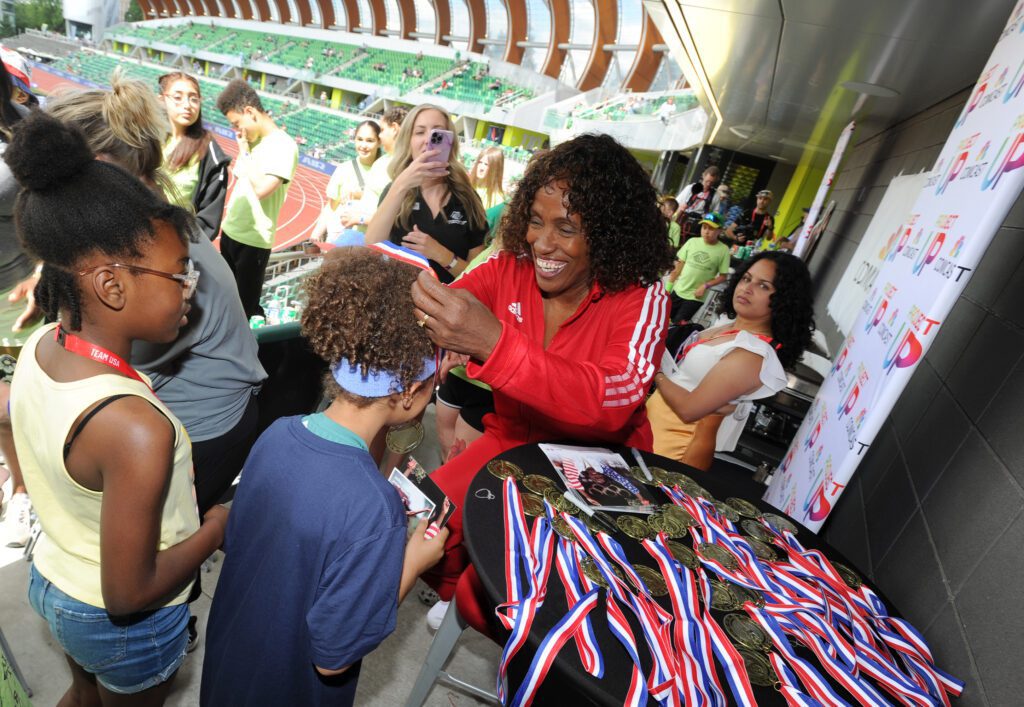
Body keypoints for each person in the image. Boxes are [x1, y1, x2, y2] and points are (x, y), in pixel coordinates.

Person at [409, 133, 674, 627]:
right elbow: (442, 305)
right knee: (416, 524)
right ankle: (458, 587)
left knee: (520, 605)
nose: (541, 242)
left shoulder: (644, 298)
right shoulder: (509, 267)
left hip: (597, 472)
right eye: (534, 220)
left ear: (609, 233)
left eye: (566, 228)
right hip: (507, 446)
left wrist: (494, 345)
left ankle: (476, 598)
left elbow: (612, 397)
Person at [7, 111, 226, 705]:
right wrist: (216, 526)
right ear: (111, 285)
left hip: (53, 581)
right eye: (180, 273)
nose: (191, 288)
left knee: (82, 697)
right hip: (118, 622)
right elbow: (130, 593)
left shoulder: (43, 345)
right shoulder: (134, 428)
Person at [200, 246, 448, 706]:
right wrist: (413, 561)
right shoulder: (377, 510)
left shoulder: (276, 433)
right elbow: (333, 657)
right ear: (412, 393)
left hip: (232, 666)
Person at [647, 251, 814, 470]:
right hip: (649, 429)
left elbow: (689, 409)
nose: (747, 288)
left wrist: (657, 372)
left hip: (672, 450)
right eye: (746, 278)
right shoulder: (727, 327)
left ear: (784, 299)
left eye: (763, 286)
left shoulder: (753, 354)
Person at [365, 103, 487, 284]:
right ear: (409, 141)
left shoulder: (467, 198)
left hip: (446, 306)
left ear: (450, 142)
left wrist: (442, 255)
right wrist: (400, 186)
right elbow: (371, 247)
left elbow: (479, 279)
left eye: (437, 133)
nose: (428, 140)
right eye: (420, 132)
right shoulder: (396, 190)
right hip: (398, 304)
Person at [216, 78, 298, 317]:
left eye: (237, 123)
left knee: (243, 310)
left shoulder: (283, 146)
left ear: (250, 112)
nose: (237, 131)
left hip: (253, 241)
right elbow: (243, 184)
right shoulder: (252, 141)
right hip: (231, 232)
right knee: (225, 301)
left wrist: (243, 152)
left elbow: (262, 188)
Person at [0, 57, 39, 547]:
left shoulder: (28, 131)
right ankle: (17, 476)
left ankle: (33, 490)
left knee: (19, 405)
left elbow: (65, 197)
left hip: (19, 295)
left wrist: (47, 266)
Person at [157, 72, 231, 240]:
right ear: (161, 99)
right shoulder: (148, 140)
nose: (187, 105)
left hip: (176, 246)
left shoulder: (210, 152)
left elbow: (208, 220)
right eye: (178, 97)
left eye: (193, 98)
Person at [311, 119, 382, 244]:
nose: (363, 145)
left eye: (369, 140)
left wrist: (360, 195)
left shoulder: (386, 170)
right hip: (340, 241)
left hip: (371, 242)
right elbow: (331, 207)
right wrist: (316, 234)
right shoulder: (343, 169)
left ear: (379, 142)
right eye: (360, 139)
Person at [666, 211, 731, 323]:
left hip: (695, 297)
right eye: (704, 227)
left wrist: (705, 286)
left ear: (720, 230)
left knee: (676, 325)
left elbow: (723, 276)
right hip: (678, 291)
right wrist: (667, 291)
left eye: (711, 229)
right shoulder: (692, 242)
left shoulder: (723, 250)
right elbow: (677, 269)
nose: (706, 231)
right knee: (662, 319)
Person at [364, 105, 407, 207]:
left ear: (394, 128)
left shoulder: (404, 166)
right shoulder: (383, 160)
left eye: (382, 130)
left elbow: (396, 212)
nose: (379, 135)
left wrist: (360, 218)